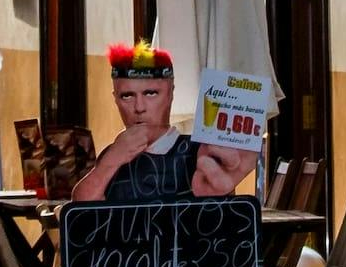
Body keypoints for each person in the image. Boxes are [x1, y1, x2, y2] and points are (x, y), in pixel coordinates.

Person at [67, 43, 255, 206]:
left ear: (170, 93)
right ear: (115, 99)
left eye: (150, 93)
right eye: (127, 96)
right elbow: (80, 214)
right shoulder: (112, 155)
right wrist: (111, 161)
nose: (139, 107)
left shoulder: (198, 151)